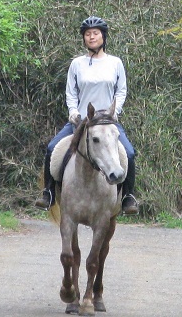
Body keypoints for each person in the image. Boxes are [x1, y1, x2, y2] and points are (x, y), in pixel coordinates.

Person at [34, 16, 139, 215]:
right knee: (51, 149)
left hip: (107, 123)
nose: (92, 37)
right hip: (81, 122)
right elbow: (71, 92)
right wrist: (73, 112)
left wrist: (115, 112)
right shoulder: (77, 64)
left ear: (103, 37)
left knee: (130, 154)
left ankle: (128, 197)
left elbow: (121, 91)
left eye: (96, 33)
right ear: (84, 39)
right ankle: (48, 193)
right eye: (88, 34)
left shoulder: (115, 63)